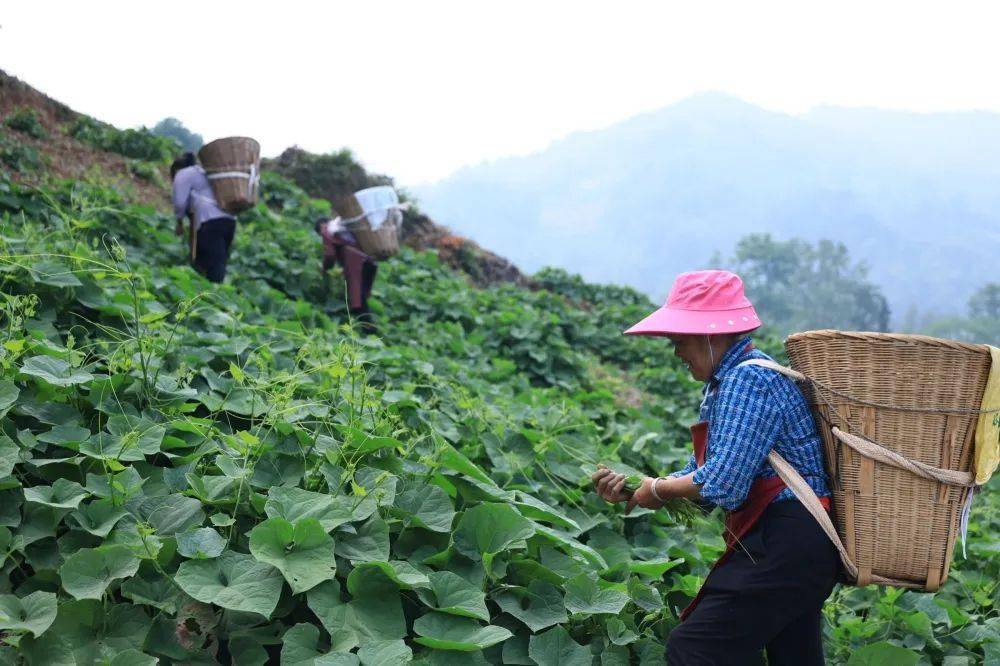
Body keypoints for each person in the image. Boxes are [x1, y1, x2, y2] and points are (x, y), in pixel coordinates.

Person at [592, 270, 839, 666]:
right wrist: (635, 489)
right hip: (800, 545)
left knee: (696, 648)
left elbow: (722, 485)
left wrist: (657, 489)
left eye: (681, 340)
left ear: (711, 333)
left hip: (786, 540)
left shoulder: (748, 379)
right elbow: (703, 476)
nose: (676, 352)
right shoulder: (728, 384)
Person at [171, 153, 237, 283]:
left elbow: (179, 202)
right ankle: (213, 293)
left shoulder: (183, 173)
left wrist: (179, 221)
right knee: (218, 260)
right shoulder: (203, 172)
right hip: (230, 219)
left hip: (210, 220)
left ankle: (211, 296)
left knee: (211, 265)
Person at [315, 217, 378, 334]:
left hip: (355, 261)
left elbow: (330, 255)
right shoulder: (343, 226)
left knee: (357, 297)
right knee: (361, 296)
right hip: (370, 261)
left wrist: (324, 269)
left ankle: (369, 329)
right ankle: (364, 325)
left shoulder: (325, 229)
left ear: (320, 226)